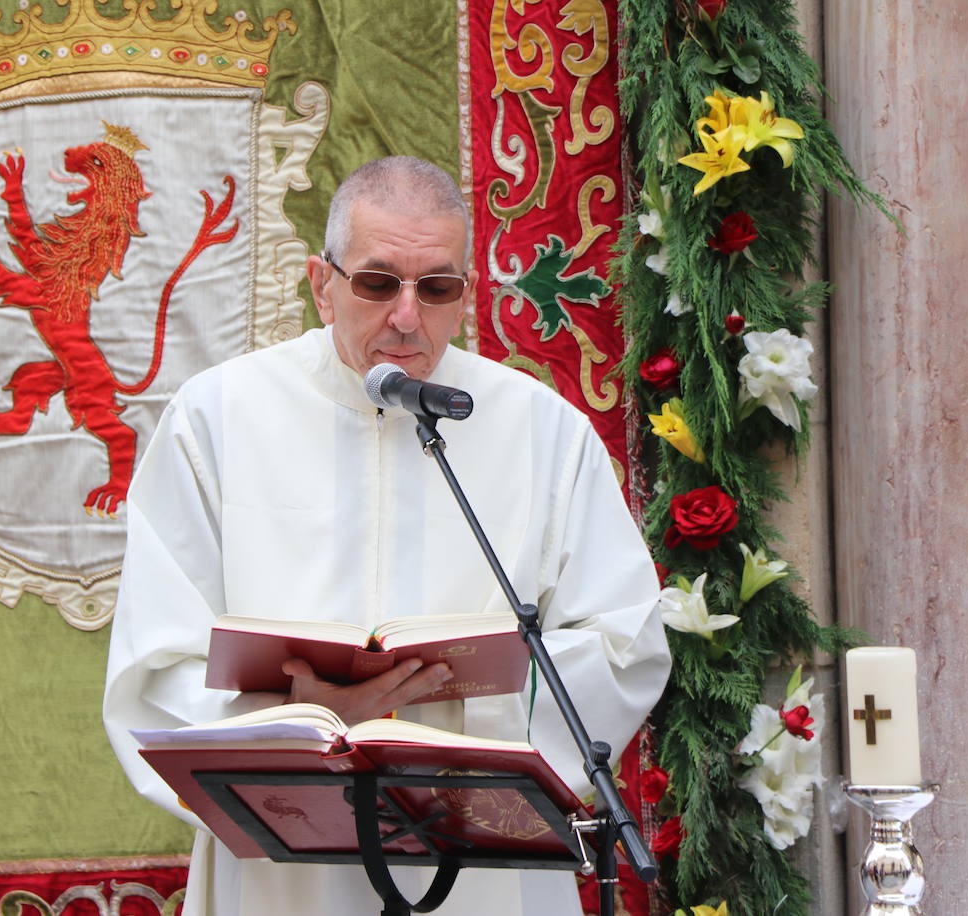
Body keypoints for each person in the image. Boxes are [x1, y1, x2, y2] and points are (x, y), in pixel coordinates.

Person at [103, 156, 670, 916]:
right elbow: (155, 665)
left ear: (466, 295)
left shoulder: (539, 430)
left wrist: (440, 716)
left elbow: (625, 639)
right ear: (322, 283)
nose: (407, 316)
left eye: (436, 288)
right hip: (287, 864)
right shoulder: (217, 418)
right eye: (376, 283)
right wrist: (301, 720)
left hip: (481, 860)